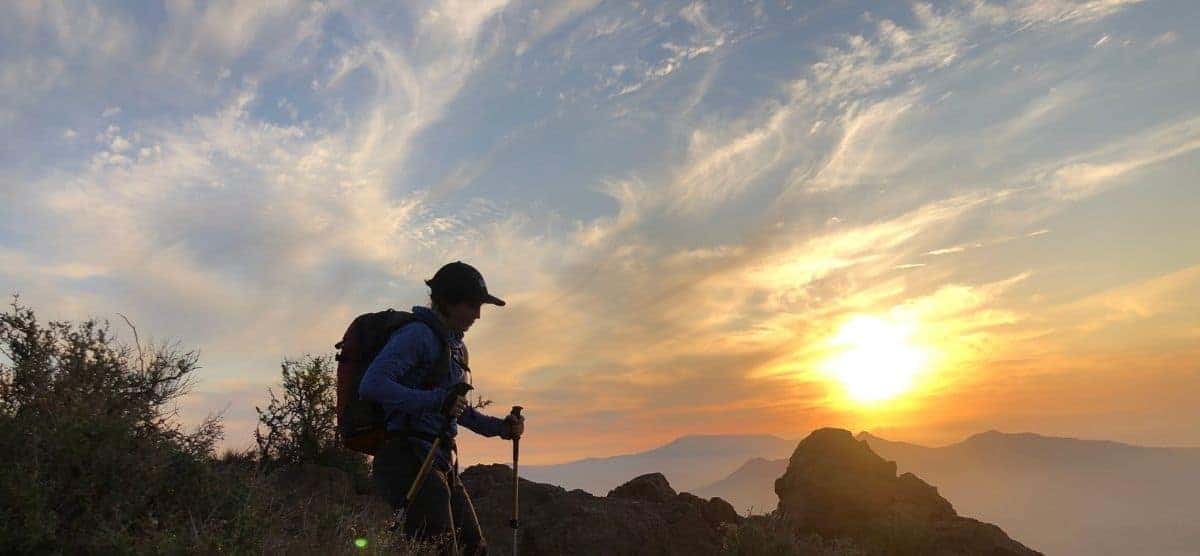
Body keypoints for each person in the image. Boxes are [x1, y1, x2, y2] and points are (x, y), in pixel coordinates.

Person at [359, 261, 524, 555]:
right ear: (447, 302)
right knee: (440, 548)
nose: (477, 315)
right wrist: (436, 401)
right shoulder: (417, 336)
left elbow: (457, 408)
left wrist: (501, 428)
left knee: (473, 546)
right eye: (471, 305)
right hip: (406, 458)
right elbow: (372, 384)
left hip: (440, 461)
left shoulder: (457, 347)